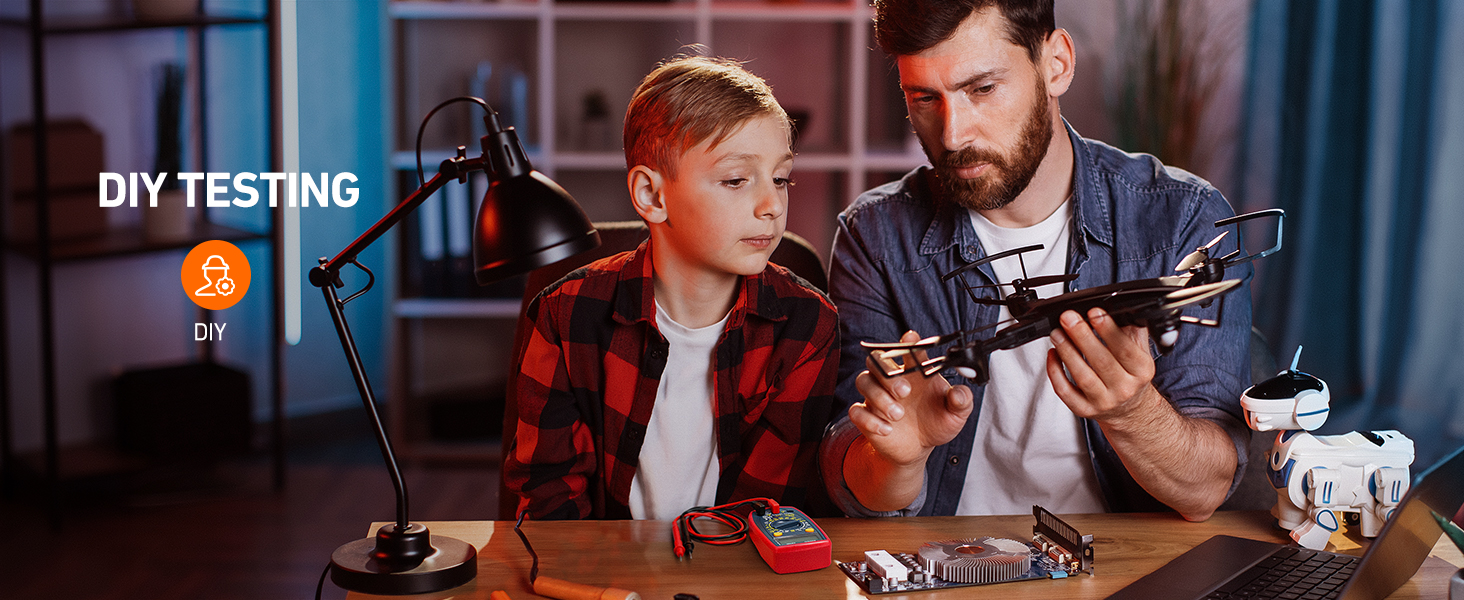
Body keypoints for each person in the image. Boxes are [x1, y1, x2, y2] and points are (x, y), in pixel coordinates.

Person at [820, 0, 1252, 520]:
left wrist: (1131, 411)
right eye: (924, 98)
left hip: (1122, 569)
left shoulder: (1184, 218)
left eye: (982, 89)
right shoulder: (875, 235)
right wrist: (898, 459)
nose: (954, 134)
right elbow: (853, 485)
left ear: (1056, 64)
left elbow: (1206, 490)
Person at [505, 55, 840, 520]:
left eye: (781, 178)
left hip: (737, 577)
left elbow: (771, 509)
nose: (772, 205)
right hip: (603, 582)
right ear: (652, 196)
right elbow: (549, 507)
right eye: (736, 180)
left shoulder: (808, 325)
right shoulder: (565, 315)